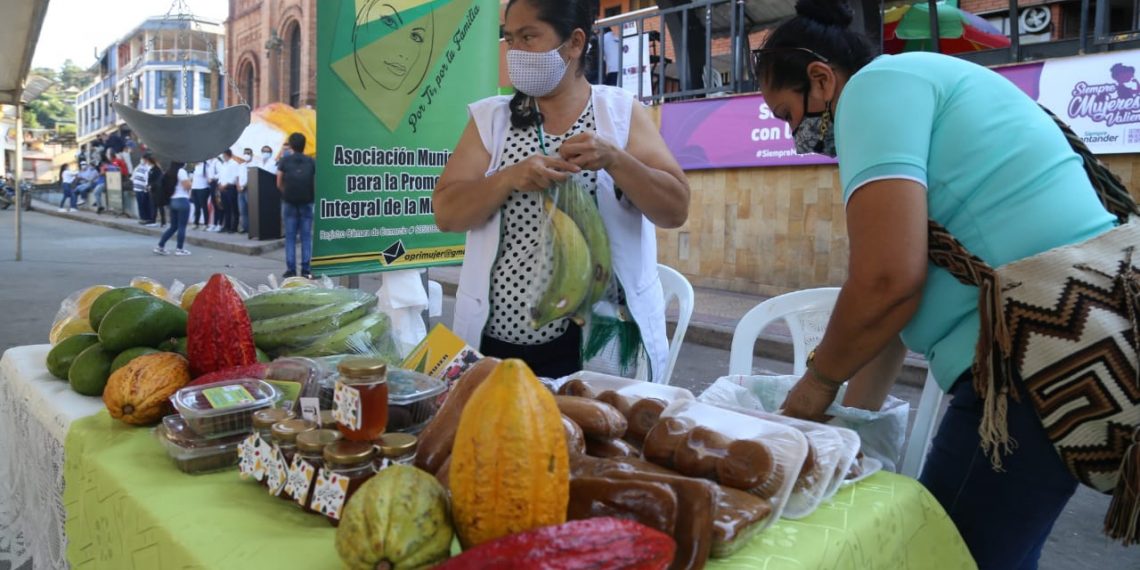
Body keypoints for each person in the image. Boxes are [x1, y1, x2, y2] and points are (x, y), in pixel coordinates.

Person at [757, 0, 1118, 567]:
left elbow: (886, 282)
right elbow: (895, 299)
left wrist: (812, 393)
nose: (792, 136)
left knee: (941, 556)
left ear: (821, 80)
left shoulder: (875, 89)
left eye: (786, 114)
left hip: (1028, 364)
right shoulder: (916, 81)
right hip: (1063, 350)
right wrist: (854, 426)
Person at [433, 0, 689, 379]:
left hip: (597, 345)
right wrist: (507, 178)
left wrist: (616, 159)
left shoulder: (619, 112)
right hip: (497, 346)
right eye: (509, 39)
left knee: (597, 433)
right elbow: (446, 213)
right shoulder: (491, 119)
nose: (515, 51)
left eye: (528, 37)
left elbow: (675, 208)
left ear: (574, 43)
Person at [277, 132, 316, 278]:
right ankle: (306, 269)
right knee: (306, 237)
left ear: (291, 145)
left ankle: (291, 269)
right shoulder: (311, 161)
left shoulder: (284, 161)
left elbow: (279, 181)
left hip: (289, 202)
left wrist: (285, 193)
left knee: (290, 237)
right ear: (304, 145)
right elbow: (315, 180)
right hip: (307, 202)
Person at [155, 162, 192, 256]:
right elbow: (186, 185)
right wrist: (190, 181)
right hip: (182, 199)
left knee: (173, 226)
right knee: (182, 226)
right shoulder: (181, 171)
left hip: (173, 200)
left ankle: (160, 246)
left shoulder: (169, 172)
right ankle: (179, 249)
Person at [218, 149, 242, 233]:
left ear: (227, 154)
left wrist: (226, 184)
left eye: (223, 155)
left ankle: (234, 227)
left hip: (231, 188)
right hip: (223, 188)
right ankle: (226, 226)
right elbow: (221, 176)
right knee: (226, 208)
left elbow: (235, 177)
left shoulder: (234, 164)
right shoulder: (223, 164)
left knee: (233, 208)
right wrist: (220, 184)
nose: (223, 157)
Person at [130, 153, 155, 224]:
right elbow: (133, 176)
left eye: (143, 159)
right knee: (141, 204)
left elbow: (147, 178)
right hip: (137, 188)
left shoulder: (149, 167)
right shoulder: (139, 166)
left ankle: (148, 219)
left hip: (144, 189)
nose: (142, 160)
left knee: (145, 204)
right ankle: (143, 218)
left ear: (147, 159)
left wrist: (146, 187)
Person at [189, 155, 211, 230]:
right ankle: (196, 222)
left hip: (203, 188)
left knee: (203, 206)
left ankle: (206, 223)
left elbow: (209, 176)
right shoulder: (195, 167)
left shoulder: (205, 166)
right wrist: (191, 189)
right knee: (196, 206)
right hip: (195, 188)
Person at [149, 158, 168, 228]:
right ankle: (156, 221)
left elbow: (157, 181)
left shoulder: (156, 170)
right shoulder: (154, 169)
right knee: (156, 206)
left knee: (159, 206)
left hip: (158, 190)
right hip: (155, 190)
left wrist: (151, 186)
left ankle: (162, 222)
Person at [238, 148, 253, 233]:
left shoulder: (254, 164)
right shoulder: (241, 165)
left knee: (251, 209)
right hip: (240, 190)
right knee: (242, 210)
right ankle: (245, 227)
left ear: (251, 155)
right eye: (245, 153)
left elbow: (252, 177)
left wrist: (244, 186)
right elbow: (238, 177)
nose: (246, 155)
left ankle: (252, 228)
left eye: (248, 153)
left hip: (249, 189)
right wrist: (238, 186)